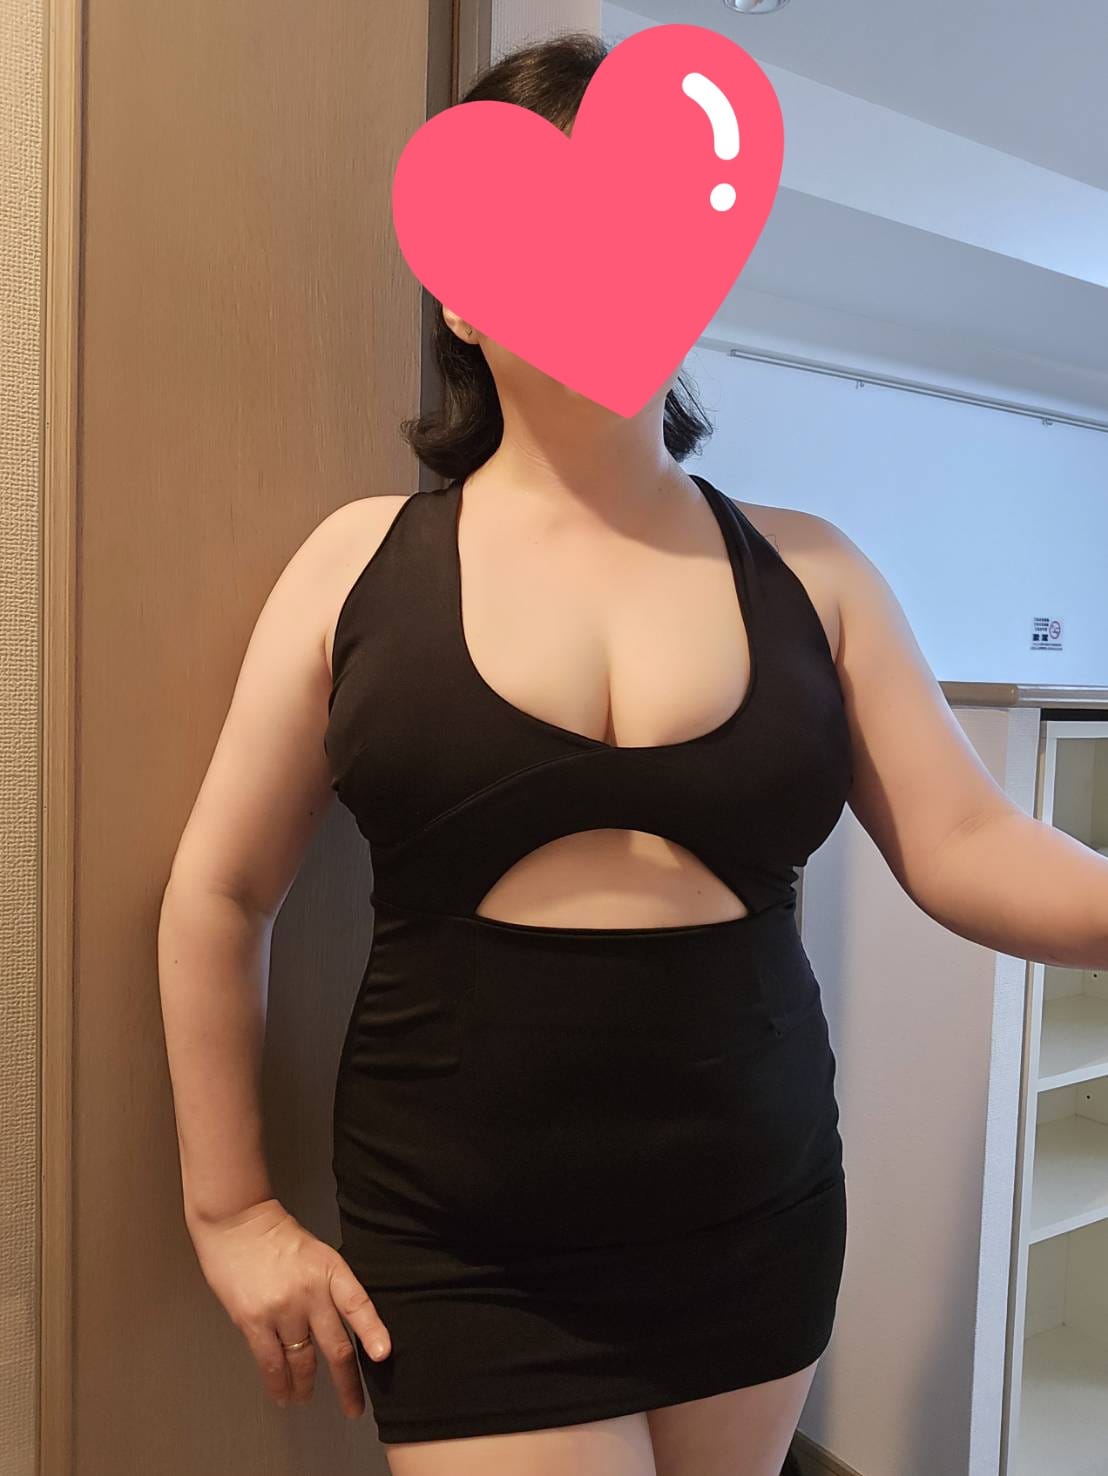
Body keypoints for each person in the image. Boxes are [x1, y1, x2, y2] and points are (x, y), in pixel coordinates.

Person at [158, 29, 1078, 1476]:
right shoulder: (354, 568)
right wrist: (230, 1211)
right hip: (465, 1253)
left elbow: (970, 845)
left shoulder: (819, 574)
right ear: (458, 295)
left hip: (759, 1222)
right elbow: (219, 897)